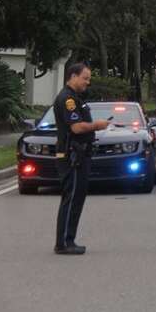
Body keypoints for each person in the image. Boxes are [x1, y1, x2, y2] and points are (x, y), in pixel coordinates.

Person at [53, 63, 110, 255]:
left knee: (77, 198)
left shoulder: (76, 98)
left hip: (80, 154)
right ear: (73, 76)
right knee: (72, 198)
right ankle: (63, 243)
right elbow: (76, 128)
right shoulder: (67, 99)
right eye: (85, 78)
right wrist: (97, 125)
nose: (88, 82)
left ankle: (69, 239)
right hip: (72, 156)